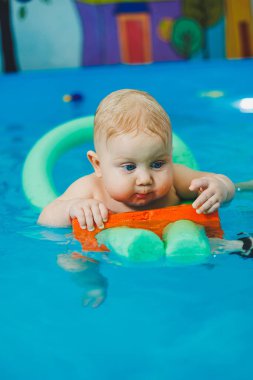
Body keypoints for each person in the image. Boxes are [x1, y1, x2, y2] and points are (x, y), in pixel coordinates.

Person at [38, 89, 235, 230]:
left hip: (178, 237)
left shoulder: (176, 178)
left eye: (157, 164)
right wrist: (72, 208)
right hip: (109, 247)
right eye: (129, 167)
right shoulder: (90, 189)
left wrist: (220, 188)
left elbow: (222, 181)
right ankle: (93, 287)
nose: (144, 179)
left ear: (170, 157)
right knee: (75, 260)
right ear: (98, 165)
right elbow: (45, 218)